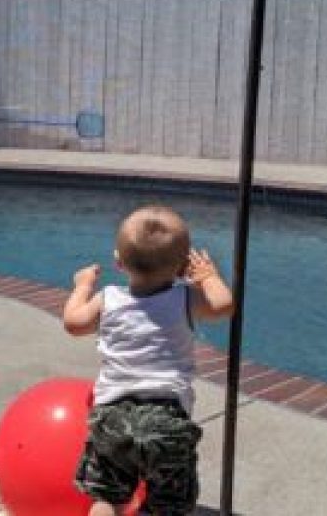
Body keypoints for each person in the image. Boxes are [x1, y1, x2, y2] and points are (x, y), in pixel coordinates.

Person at [63, 205, 235, 516]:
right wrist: (208, 276)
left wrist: (83, 286)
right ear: (183, 266)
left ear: (118, 262)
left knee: (107, 499)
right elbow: (223, 305)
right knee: (167, 506)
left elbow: (74, 323)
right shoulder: (184, 298)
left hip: (112, 416)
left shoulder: (108, 297)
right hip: (167, 421)